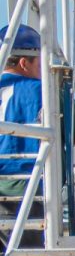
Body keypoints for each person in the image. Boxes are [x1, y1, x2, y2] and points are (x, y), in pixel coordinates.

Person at [0, 24, 44, 201]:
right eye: (39, 66)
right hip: (30, 183)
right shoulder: (43, 90)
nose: (41, 73)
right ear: (24, 63)